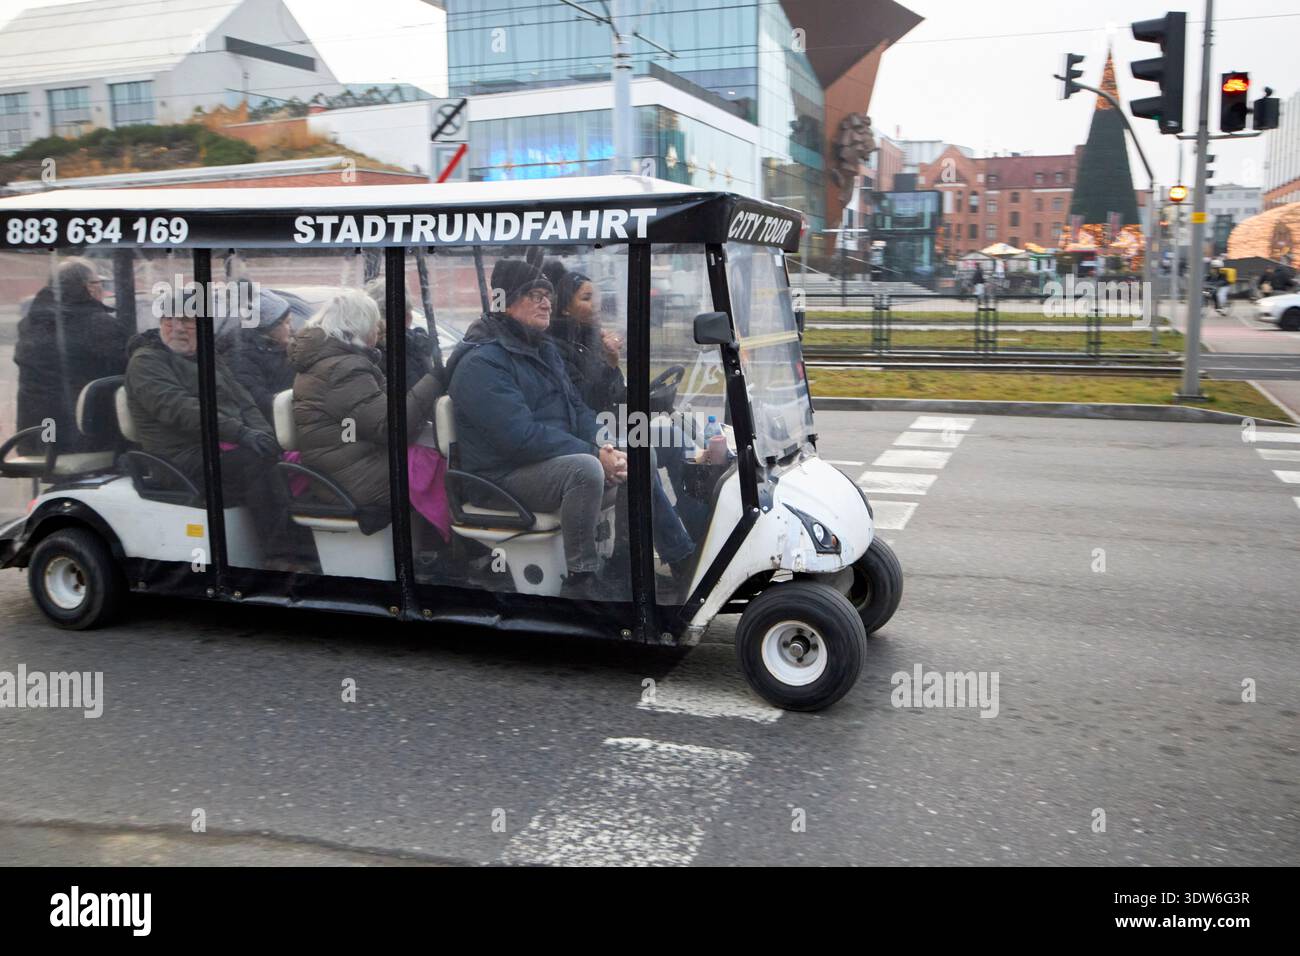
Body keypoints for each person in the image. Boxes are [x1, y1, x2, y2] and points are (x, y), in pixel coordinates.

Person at [446, 258, 632, 598]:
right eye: (534, 295)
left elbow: (577, 407)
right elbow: (519, 438)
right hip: (499, 476)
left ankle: (625, 562)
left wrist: (605, 445)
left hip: (541, 464)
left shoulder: (542, 348)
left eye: (547, 294)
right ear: (505, 302)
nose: (547, 302)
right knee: (584, 469)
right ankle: (581, 579)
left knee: (636, 457)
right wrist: (593, 454)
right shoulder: (482, 361)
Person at [124, 310, 302, 562]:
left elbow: (244, 401)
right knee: (256, 463)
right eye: (169, 321)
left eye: (187, 322)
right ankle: (282, 556)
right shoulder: (146, 362)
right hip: (180, 457)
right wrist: (242, 433)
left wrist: (262, 434)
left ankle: (299, 545)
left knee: (276, 456)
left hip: (218, 445)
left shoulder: (207, 356)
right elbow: (181, 410)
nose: (178, 328)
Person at [547, 265, 708, 543]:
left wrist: (613, 364)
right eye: (585, 298)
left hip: (609, 424)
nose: (595, 304)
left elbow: (616, 393)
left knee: (673, 436)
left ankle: (699, 529)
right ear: (564, 309)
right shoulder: (557, 347)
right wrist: (608, 362)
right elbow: (583, 400)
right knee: (643, 452)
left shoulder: (590, 339)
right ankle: (678, 551)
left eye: (595, 296)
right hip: (591, 433)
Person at [290, 289, 440, 533]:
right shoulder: (343, 369)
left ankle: (437, 548)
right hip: (352, 477)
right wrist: (434, 381)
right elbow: (388, 428)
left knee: (434, 454)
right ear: (360, 327)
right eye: (374, 324)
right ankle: (453, 553)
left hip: (347, 464)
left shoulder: (332, 361)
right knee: (442, 466)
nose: (378, 330)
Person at [14, 257, 131, 455]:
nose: (101, 289)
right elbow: (131, 370)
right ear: (90, 288)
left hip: (35, 441)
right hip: (81, 442)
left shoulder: (30, 324)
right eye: (99, 283)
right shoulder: (99, 325)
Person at [217, 288, 295, 423]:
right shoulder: (241, 357)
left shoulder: (279, 348)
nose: (292, 328)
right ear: (271, 327)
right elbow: (259, 401)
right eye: (287, 323)